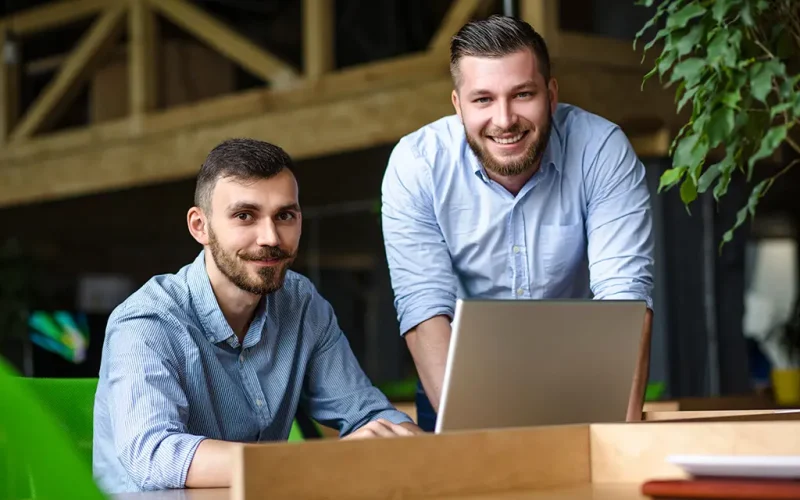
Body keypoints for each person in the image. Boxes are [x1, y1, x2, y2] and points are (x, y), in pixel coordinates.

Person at [93, 138, 421, 493]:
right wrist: (318, 460)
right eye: (244, 216)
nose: (271, 238)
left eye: (285, 216)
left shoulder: (301, 304)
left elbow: (367, 414)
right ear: (200, 226)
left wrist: (409, 440)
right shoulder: (147, 321)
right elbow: (154, 455)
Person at [380, 15, 655, 432]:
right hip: (458, 376)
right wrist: (481, 445)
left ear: (551, 94)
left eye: (522, 94)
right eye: (483, 99)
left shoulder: (601, 150)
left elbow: (626, 303)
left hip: (581, 375)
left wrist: (621, 443)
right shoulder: (417, 164)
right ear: (458, 105)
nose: (505, 119)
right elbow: (424, 310)